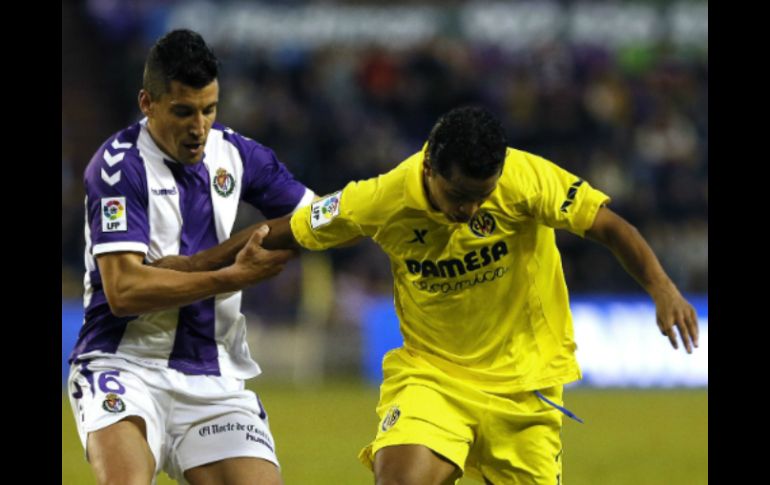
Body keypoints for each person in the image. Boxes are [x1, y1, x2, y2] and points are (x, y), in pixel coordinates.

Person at [162, 106, 699, 484]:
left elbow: (608, 226)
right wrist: (191, 268)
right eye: (459, 196)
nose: (469, 210)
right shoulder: (381, 198)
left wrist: (663, 288)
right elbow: (288, 229)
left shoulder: (525, 177)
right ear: (429, 168)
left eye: (481, 197)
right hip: (434, 378)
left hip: (527, 388)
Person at [67, 29, 315, 485]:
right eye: (182, 111)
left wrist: (205, 263)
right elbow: (124, 291)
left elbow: (314, 222)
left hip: (213, 379)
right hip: (124, 364)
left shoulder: (238, 155)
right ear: (148, 103)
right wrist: (229, 276)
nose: (198, 127)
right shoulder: (118, 167)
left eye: (208, 109)